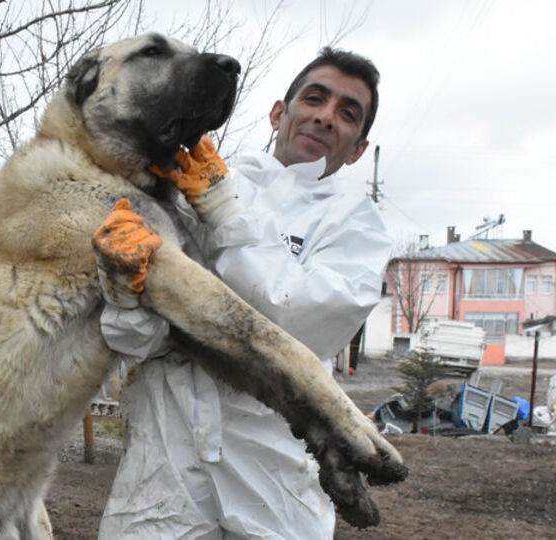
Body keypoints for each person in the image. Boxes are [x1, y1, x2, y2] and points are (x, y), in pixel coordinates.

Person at [94, 47, 392, 539]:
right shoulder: (194, 184)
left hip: (274, 471)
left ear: (358, 148)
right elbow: (136, 340)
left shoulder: (357, 228)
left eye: (347, 112)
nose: (324, 116)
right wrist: (125, 287)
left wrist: (226, 214)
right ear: (279, 113)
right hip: (164, 458)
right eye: (314, 98)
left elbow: (294, 324)